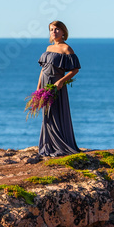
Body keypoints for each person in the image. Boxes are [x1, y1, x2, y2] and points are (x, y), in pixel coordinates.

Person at [37, 21, 81, 157]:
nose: (53, 32)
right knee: (47, 115)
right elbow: (43, 70)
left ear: (63, 32)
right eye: (51, 29)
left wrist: (61, 82)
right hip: (44, 83)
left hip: (56, 85)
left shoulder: (67, 49)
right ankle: (48, 145)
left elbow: (75, 70)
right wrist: (38, 88)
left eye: (56, 29)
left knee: (56, 114)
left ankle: (61, 145)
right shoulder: (48, 48)